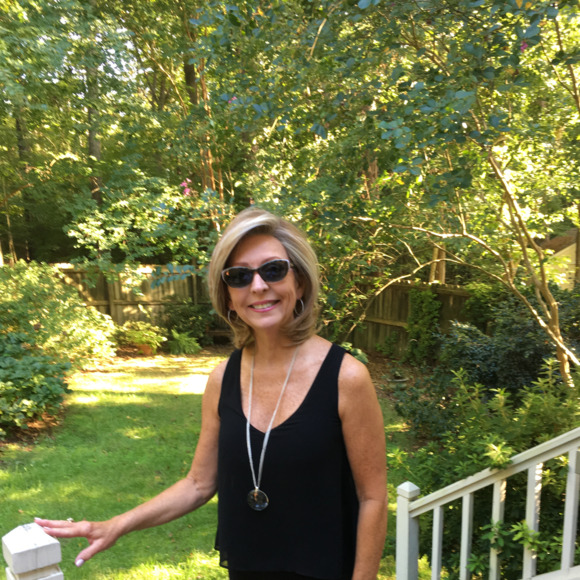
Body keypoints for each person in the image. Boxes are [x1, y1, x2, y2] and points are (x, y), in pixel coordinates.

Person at [36, 207, 388, 580]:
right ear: (228, 296)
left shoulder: (346, 378)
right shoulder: (223, 380)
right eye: (239, 276)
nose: (258, 286)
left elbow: (373, 498)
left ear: (299, 282)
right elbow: (198, 484)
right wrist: (117, 525)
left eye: (273, 270)